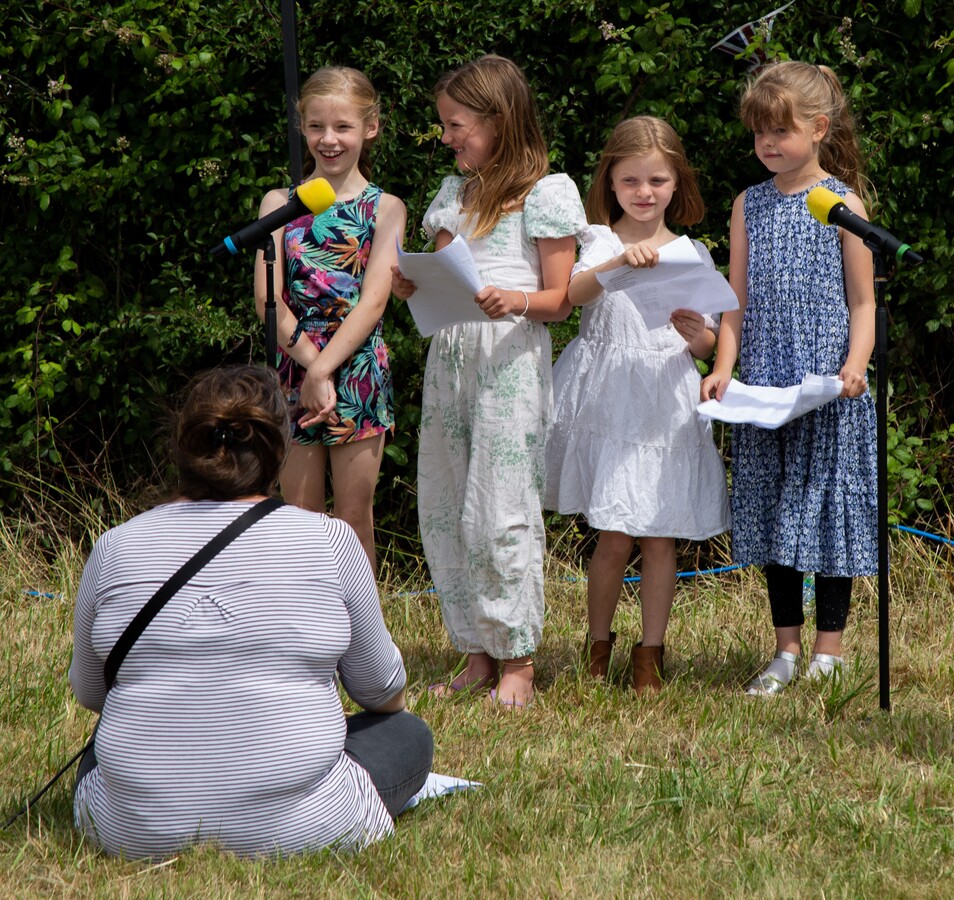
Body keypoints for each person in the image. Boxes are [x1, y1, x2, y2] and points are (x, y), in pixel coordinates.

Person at [69, 365, 433, 859]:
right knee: (408, 733)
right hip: (307, 827)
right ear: (278, 451)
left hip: (131, 832)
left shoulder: (115, 547)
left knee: (101, 748)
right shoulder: (329, 541)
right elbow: (382, 690)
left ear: (182, 448)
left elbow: (93, 693)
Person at [391, 55, 586, 710]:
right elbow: (443, 273)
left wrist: (515, 300)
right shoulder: (455, 193)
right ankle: (475, 652)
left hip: (508, 358)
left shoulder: (548, 192)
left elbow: (560, 300)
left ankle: (517, 659)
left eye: (457, 124)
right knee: (447, 507)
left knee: (500, 509)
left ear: (499, 120)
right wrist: (409, 282)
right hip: (451, 359)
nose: (448, 137)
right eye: (445, 126)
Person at [700, 61, 877, 695]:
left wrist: (854, 365)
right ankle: (786, 650)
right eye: (759, 134)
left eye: (782, 131)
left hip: (828, 385)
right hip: (768, 386)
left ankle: (829, 653)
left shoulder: (842, 203)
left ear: (819, 128)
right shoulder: (747, 204)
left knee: (827, 511)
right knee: (776, 514)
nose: (769, 145)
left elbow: (863, 301)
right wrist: (724, 366)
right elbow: (734, 301)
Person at [545, 117, 731, 694]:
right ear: (611, 182)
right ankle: (597, 646)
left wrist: (695, 333)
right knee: (614, 533)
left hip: (663, 399)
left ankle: (649, 653)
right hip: (609, 396)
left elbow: (708, 341)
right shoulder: (598, 240)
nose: (644, 192)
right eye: (630, 181)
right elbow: (572, 296)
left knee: (658, 536)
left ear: (677, 183)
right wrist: (619, 264)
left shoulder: (691, 251)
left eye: (657, 180)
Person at [253, 66, 406, 570]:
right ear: (303, 127)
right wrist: (309, 367)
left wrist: (324, 370)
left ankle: (363, 641)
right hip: (293, 366)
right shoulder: (278, 205)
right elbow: (267, 300)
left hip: (357, 370)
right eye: (317, 126)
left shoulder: (385, 208)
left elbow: (375, 301)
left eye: (342, 126)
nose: (329, 139)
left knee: (353, 518)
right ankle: (305, 637)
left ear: (371, 127)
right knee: (298, 516)